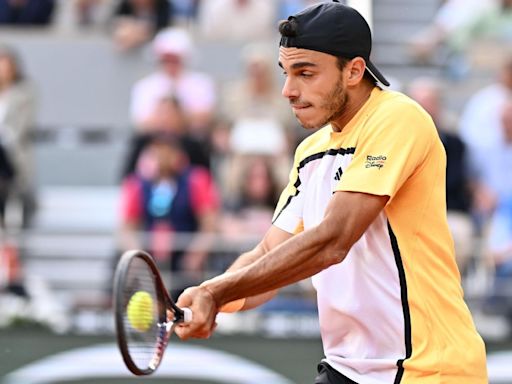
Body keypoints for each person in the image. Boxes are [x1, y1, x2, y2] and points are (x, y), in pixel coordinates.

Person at [173, 3, 488, 383]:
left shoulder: (399, 118)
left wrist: (218, 292)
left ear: (355, 70)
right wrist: (212, 297)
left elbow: (333, 241)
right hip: (347, 369)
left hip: (429, 369)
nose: (288, 90)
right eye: (286, 73)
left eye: (305, 73)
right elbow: (270, 255)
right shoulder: (310, 151)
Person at [119, 133, 219, 298]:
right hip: (151, 259)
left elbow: (209, 225)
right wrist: (139, 257)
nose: (162, 157)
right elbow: (127, 227)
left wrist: (195, 255)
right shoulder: (137, 184)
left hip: (184, 262)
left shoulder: (195, 181)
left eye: (167, 151)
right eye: (157, 151)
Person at [407, 77, 474, 274]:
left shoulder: (455, 142)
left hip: (447, 210)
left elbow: (454, 180)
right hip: (409, 210)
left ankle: (449, 292)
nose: (425, 108)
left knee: (457, 235)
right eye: (419, 103)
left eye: (429, 102)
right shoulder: (401, 141)